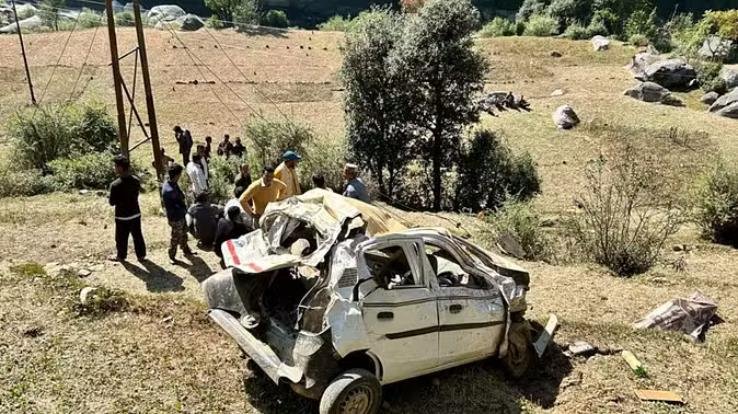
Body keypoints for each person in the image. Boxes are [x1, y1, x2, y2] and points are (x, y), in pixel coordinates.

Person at [108, 155, 146, 262]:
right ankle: (141, 255)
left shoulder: (115, 185)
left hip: (122, 216)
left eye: (115, 166)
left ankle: (121, 256)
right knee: (137, 236)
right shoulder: (135, 180)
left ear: (120, 168)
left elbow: (111, 202)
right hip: (135, 213)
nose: (114, 168)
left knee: (121, 238)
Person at [162, 164, 195, 264]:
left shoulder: (172, 184)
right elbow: (179, 200)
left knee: (184, 232)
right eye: (180, 174)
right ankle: (171, 256)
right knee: (176, 237)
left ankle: (186, 250)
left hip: (180, 214)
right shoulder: (169, 190)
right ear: (176, 175)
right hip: (175, 217)